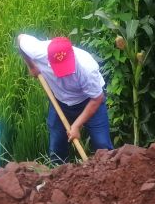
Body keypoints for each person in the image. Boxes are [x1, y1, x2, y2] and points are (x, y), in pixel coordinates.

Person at [17, 34, 113, 163]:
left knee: (103, 146)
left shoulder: (86, 68)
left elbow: (97, 98)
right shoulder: (38, 51)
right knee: (57, 148)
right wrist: (32, 66)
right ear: (48, 60)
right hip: (60, 102)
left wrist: (76, 126)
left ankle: (107, 174)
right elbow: (20, 38)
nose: (65, 74)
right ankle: (59, 175)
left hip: (88, 102)